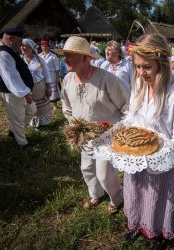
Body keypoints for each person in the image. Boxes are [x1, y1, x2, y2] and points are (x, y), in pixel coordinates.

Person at [122, 34, 174, 249]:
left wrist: (157, 156)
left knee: (158, 198)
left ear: (162, 63)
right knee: (135, 193)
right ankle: (137, 225)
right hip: (135, 158)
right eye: (138, 67)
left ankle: (159, 233)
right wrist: (124, 136)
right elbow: (132, 118)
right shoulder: (139, 85)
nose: (141, 73)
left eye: (147, 67)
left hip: (161, 162)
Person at [57, 36, 130, 213]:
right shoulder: (68, 80)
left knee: (104, 175)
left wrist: (116, 131)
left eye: (70, 55)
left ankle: (117, 198)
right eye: (64, 55)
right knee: (87, 168)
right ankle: (96, 194)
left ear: (84, 57)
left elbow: (127, 107)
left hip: (107, 137)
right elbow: (66, 104)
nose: (65, 60)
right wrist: (74, 126)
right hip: (83, 136)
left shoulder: (107, 79)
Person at [0, 27, 36, 148]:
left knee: (32, 110)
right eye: (19, 41)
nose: (21, 45)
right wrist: (26, 93)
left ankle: (14, 131)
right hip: (12, 92)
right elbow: (11, 78)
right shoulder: (2, 53)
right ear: (9, 39)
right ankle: (22, 143)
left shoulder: (8, 50)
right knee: (18, 118)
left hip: (19, 91)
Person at [21, 38, 53, 128]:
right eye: (22, 46)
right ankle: (34, 124)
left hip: (40, 86)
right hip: (26, 88)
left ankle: (43, 124)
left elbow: (47, 74)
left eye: (25, 46)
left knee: (41, 107)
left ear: (31, 48)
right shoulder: (20, 60)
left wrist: (49, 87)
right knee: (30, 106)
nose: (23, 48)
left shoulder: (40, 60)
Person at [39, 39, 61, 110]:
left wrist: (57, 77)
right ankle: (47, 105)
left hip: (51, 75)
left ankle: (55, 105)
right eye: (43, 46)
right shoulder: (39, 56)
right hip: (42, 75)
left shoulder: (53, 56)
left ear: (48, 47)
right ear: (41, 47)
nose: (44, 47)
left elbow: (57, 67)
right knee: (44, 90)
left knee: (52, 90)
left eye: (46, 46)